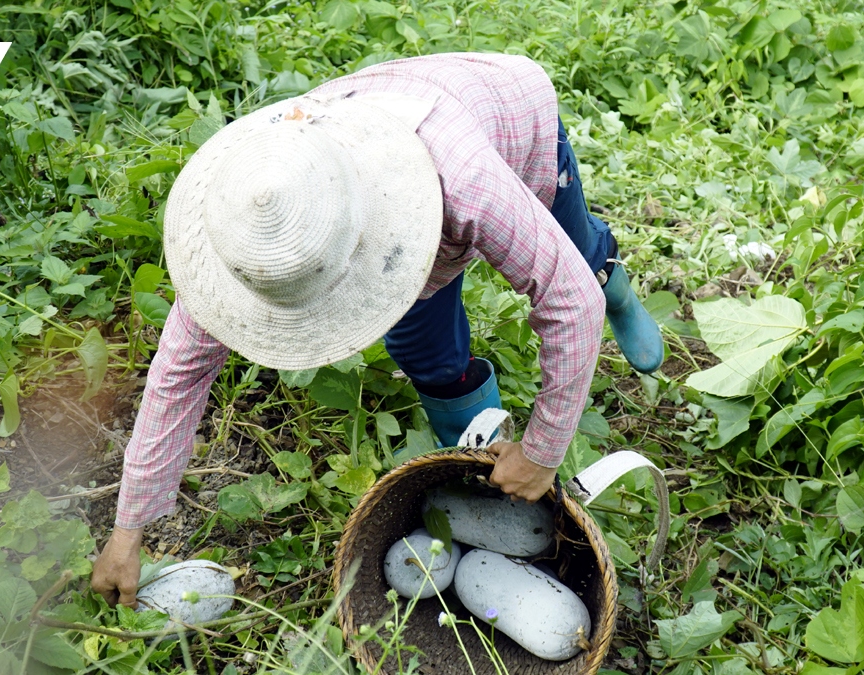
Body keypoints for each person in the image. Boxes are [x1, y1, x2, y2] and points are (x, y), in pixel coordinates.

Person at [90, 53, 664, 608]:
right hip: (396, 184)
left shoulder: (463, 180)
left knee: (578, 262)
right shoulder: (250, 234)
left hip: (509, 120)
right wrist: (127, 529)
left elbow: (568, 301)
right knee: (421, 347)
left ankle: (618, 286)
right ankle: (479, 474)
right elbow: (176, 377)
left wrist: (542, 451)